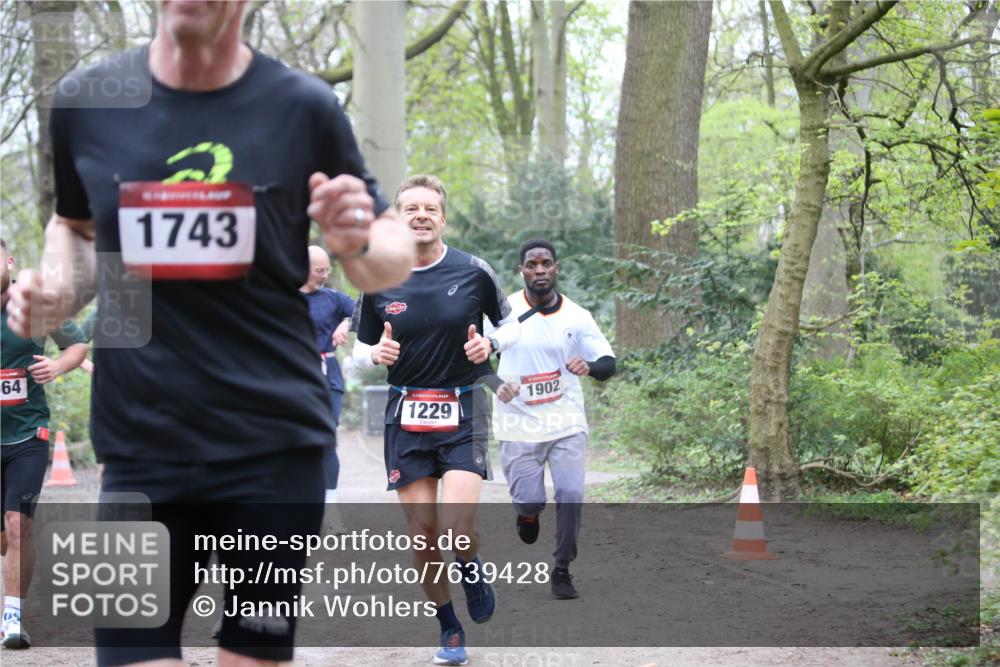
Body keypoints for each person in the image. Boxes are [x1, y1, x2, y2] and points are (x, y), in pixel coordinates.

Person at [6, 2, 415, 665]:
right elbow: (76, 228)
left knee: (250, 655)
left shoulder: (301, 105)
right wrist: (54, 287)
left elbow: (391, 248)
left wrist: (357, 237)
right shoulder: (89, 101)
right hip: (140, 446)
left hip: (272, 446)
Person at [352, 174, 520, 666]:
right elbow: (357, 354)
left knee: (458, 525)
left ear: (442, 218)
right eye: (411, 208)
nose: (421, 215)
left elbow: (512, 326)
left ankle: (470, 568)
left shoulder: (474, 271)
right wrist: (373, 354)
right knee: (423, 532)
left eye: (430, 208)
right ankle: (448, 626)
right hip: (406, 414)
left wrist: (490, 344)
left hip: (463, 407)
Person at [491, 239, 616, 600]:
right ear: (522, 271)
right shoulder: (503, 313)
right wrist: (495, 383)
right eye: (532, 265)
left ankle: (562, 568)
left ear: (556, 269)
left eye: (547, 263)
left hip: (566, 420)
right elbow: (476, 357)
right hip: (518, 423)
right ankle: (527, 514)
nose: (540, 270)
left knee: (572, 493)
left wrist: (589, 367)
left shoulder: (577, 316)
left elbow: (608, 362)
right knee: (530, 501)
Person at [1, 238, 88, 649]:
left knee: (18, 525)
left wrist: (56, 365)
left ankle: (12, 619)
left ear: (9, 261)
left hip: (27, 435)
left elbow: (76, 344)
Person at [300, 245, 355, 505]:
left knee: (326, 439)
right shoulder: (281, 299)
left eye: (327, 270)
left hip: (327, 376)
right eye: (318, 270)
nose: (324, 275)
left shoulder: (334, 299)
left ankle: (330, 508)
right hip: (293, 377)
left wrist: (346, 322)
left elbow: (364, 311)